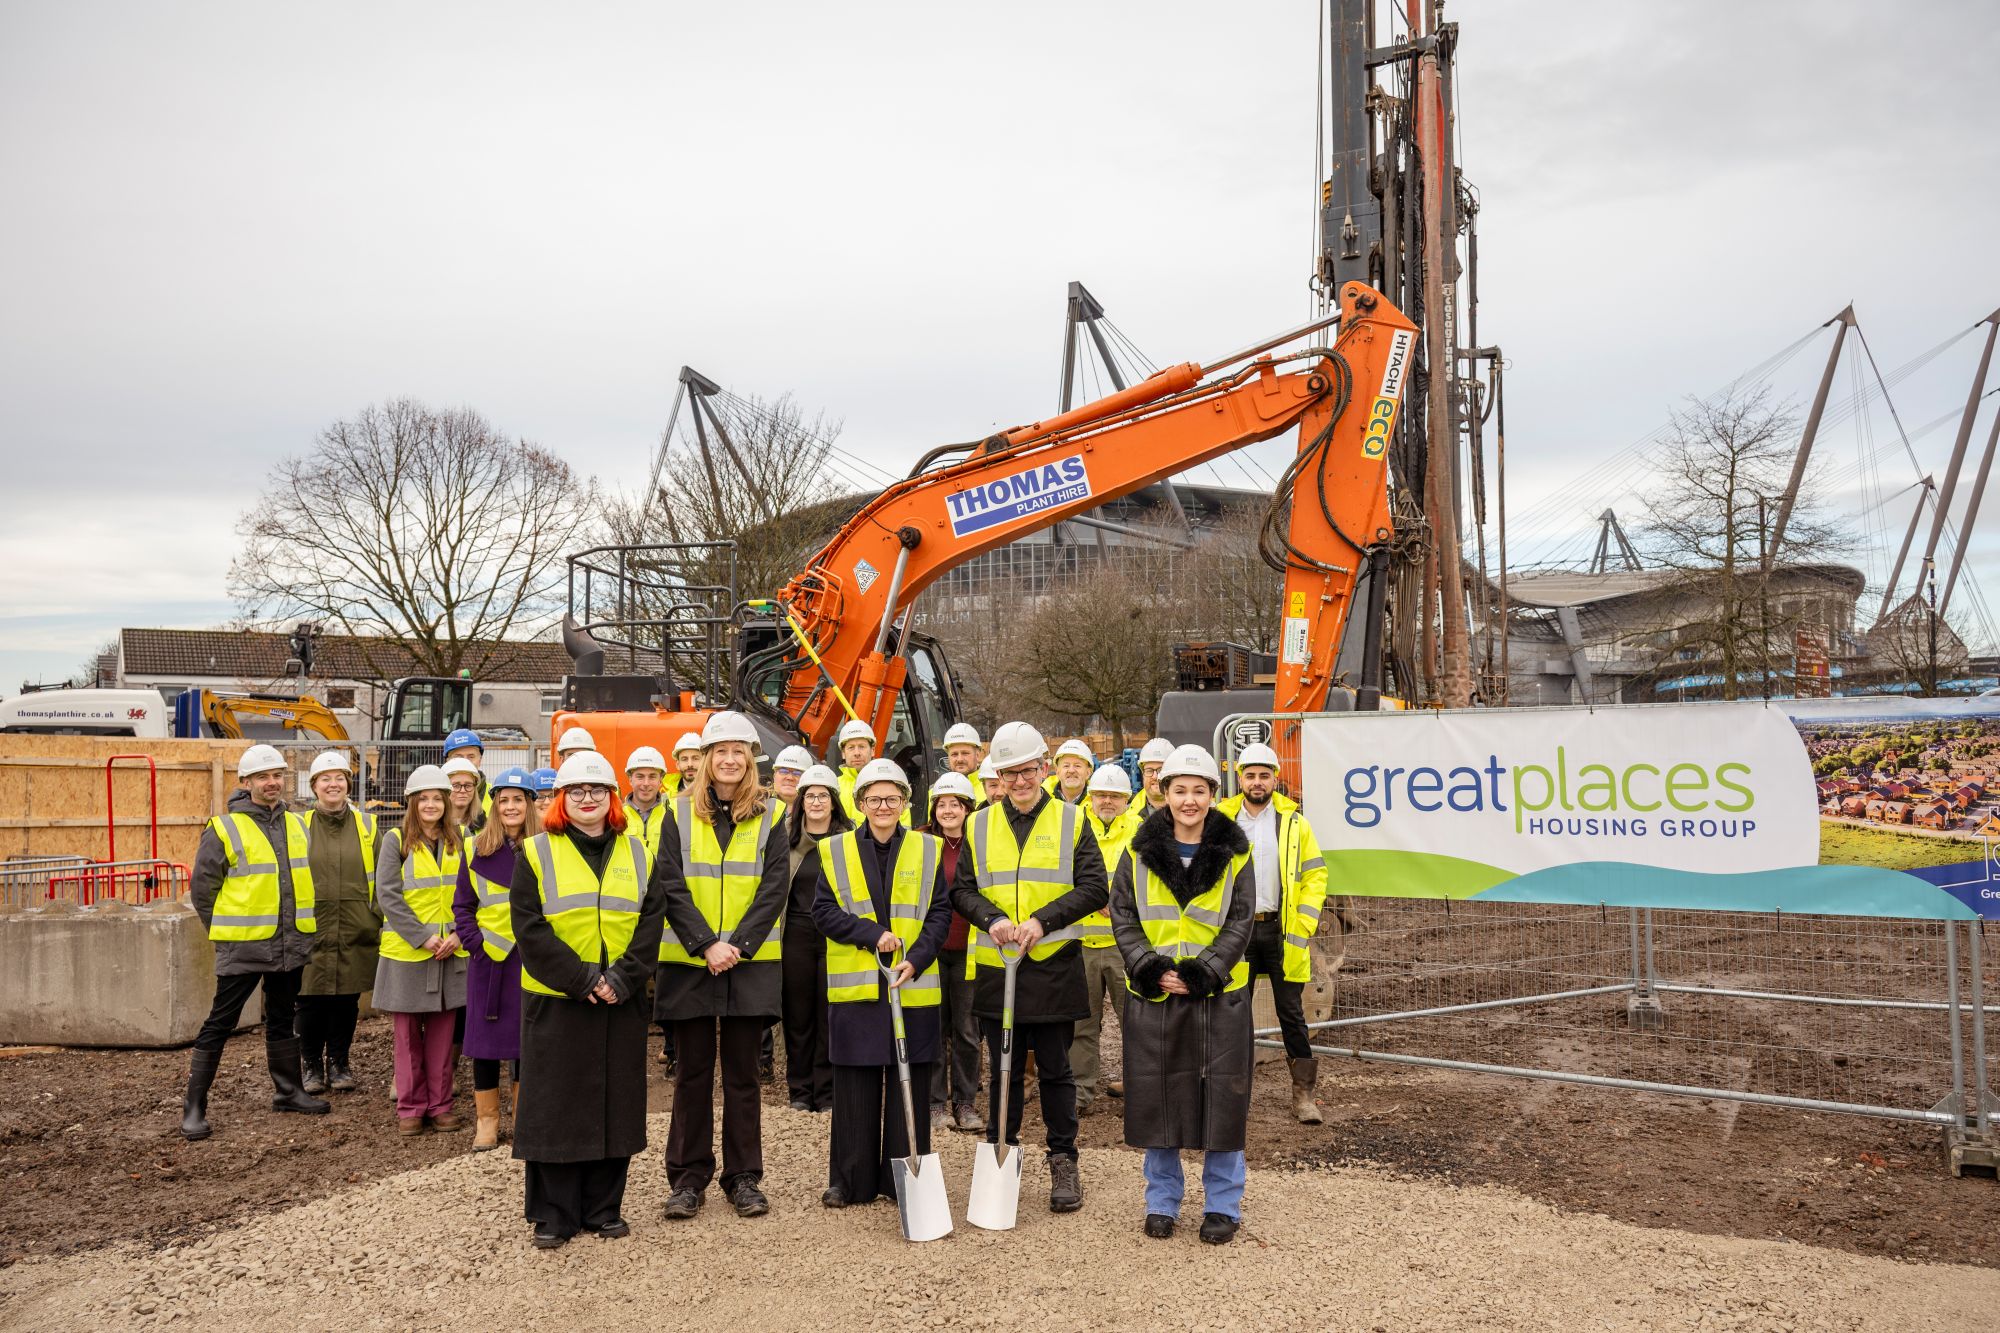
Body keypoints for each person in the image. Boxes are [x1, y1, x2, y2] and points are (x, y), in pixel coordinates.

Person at [511, 751, 669, 1248]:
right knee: (556, 1107)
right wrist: (582, 979)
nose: (586, 799)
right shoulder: (536, 852)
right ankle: (555, 1215)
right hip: (558, 1001)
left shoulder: (639, 853)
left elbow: (651, 921)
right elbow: (529, 928)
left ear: (611, 798)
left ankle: (605, 1208)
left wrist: (621, 979)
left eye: (596, 790)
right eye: (575, 791)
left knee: (613, 1103)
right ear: (561, 799)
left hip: (619, 999)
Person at [950, 721, 1107, 1214]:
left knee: (1057, 1071)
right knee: (1004, 1070)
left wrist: (1043, 920)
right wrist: (991, 918)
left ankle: (1063, 1160)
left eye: (1027, 770)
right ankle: (1003, 1155)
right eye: (1008, 773)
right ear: (996, 775)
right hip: (1000, 966)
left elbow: (1094, 888)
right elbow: (961, 890)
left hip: (1054, 962)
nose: (1019, 781)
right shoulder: (978, 823)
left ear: (1044, 768)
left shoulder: (1072, 820)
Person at [1110, 744, 1254, 1245]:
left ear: (1213, 795)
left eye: (1198, 790)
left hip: (1218, 995)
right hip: (1156, 995)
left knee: (1223, 1099)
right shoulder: (1136, 852)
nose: (1188, 800)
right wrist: (1152, 969)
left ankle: (1222, 1205)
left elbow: (1241, 921)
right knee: (1159, 1099)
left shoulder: (1236, 854)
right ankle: (1162, 1202)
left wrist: (1204, 971)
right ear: (1163, 793)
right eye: (1179, 790)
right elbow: (1123, 917)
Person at [655, 711, 790, 1220]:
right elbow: (668, 881)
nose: (730, 759)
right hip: (691, 960)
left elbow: (775, 887)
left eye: (739, 751)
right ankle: (688, 1179)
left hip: (748, 962)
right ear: (706, 760)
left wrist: (738, 945)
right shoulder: (676, 811)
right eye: (721, 751)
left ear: (749, 760)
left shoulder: (773, 815)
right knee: (691, 1074)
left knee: (742, 1076)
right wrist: (706, 944)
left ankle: (744, 1178)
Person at [811, 759, 953, 1206]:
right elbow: (823, 912)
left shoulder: (927, 849)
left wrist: (916, 957)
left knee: (907, 1081)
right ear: (860, 804)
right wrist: (872, 935)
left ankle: (902, 1178)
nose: (883, 806)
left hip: (911, 983)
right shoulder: (835, 850)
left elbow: (940, 913)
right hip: (857, 988)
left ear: (906, 803)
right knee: (855, 1085)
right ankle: (850, 1182)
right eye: (874, 799)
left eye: (892, 798)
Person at [181, 744, 329, 1140]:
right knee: (220, 1022)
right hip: (244, 947)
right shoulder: (225, 828)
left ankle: (289, 1091)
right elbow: (203, 891)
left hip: (289, 944)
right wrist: (226, 932)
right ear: (245, 783)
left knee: (283, 1018)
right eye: (263, 776)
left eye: (277, 775)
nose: (272, 782)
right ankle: (194, 1106)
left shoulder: (298, 825)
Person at [1217, 742, 1330, 1123]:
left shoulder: (1294, 823)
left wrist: (1304, 923)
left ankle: (1304, 1097)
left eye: (1264, 775)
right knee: (1233, 1012)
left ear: (1275, 779)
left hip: (1281, 932)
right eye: (1250, 775)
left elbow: (1315, 874)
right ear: (1240, 779)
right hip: (1237, 932)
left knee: (1291, 1013)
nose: (1257, 782)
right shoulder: (1221, 821)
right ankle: (1234, 1096)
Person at [373, 764, 469, 1136]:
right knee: (407, 1037)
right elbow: (389, 896)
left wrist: (460, 934)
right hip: (409, 955)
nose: (431, 805)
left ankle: (441, 1104)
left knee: (444, 1039)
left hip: (450, 953)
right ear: (412, 803)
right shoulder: (395, 840)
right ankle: (411, 1107)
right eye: (423, 798)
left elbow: (470, 892)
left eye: (437, 798)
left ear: (447, 802)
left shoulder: (460, 838)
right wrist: (423, 938)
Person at [454, 767, 535, 1151]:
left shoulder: (547, 846)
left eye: (518, 798)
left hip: (532, 957)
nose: (510, 806)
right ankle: (487, 1120)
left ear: (529, 804)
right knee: (484, 1043)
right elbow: (463, 906)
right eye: (503, 799)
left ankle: (524, 1116)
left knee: (525, 1040)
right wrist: (475, 944)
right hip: (490, 959)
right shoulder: (474, 848)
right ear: (494, 804)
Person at [299, 750, 382, 1096]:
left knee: (346, 1000)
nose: (333, 784)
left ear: (348, 784)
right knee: (308, 998)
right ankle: (311, 1065)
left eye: (339, 778)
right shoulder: (299, 825)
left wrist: (375, 917)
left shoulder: (367, 825)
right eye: (325, 779)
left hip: (354, 925)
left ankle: (339, 1062)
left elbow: (384, 873)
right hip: (311, 924)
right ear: (314, 785)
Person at [1074, 763, 1142, 1113]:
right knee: (1081, 1027)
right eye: (1101, 795)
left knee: (1135, 1022)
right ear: (1091, 796)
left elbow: (1149, 883)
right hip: (1081, 943)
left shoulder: (1141, 832)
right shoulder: (1072, 826)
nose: (1107, 801)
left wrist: (1114, 900)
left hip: (1124, 947)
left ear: (1127, 800)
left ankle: (1140, 1088)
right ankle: (1080, 1094)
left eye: (1115, 796)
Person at [780, 764, 847, 1112]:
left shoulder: (849, 842)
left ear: (834, 802)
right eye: (810, 796)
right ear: (801, 802)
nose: (817, 802)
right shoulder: (786, 841)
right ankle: (800, 1091)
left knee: (828, 1015)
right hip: (796, 935)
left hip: (835, 937)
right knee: (799, 1016)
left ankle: (827, 1092)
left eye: (823, 795)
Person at [919, 770, 982, 1132]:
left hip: (970, 948)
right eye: (941, 804)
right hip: (931, 948)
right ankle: (936, 1104)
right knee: (933, 1028)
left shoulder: (980, 841)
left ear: (967, 808)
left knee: (967, 1031)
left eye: (954, 804)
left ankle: (966, 1102)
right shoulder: (922, 841)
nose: (947, 810)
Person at [623, 746, 670, 859]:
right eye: (640, 777)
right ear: (630, 779)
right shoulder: (617, 816)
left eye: (652, 777)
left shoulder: (671, 816)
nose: (646, 783)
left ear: (660, 780)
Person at [443, 727, 491, 818]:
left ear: (480, 760)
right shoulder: (436, 795)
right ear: (447, 761)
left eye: (471, 757)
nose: (465, 762)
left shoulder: (495, 796)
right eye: (458, 757)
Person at [443, 756, 486, 837]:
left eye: (468, 785)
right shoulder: (433, 828)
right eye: (456, 785)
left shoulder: (485, 826)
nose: (463, 790)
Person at [1047, 739, 1095, 805]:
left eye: (1077, 766)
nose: (1071, 770)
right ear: (1057, 772)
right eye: (1066, 766)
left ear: (1088, 772)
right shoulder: (1042, 798)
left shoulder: (1097, 802)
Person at [1137, 736, 1174, 815]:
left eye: (1161, 770)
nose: (1155, 777)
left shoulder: (1188, 815)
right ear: (1143, 774)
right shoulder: (1125, 815)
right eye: (1149, 770)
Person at [667, 732, 703, 800]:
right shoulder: (666, 800)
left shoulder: (718, 795)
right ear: (678, 765)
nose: (690, 764)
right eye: (684, 759)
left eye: (695, 758)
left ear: (705, 762)